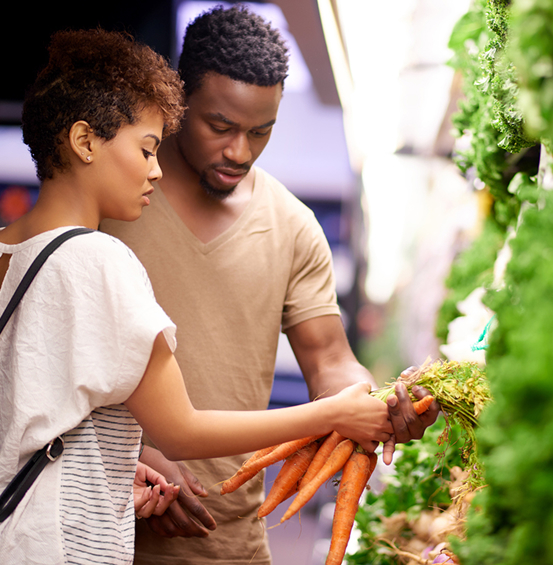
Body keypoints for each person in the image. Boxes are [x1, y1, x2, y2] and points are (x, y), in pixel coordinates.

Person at [0, 28, 396, 565]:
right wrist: (328, 416)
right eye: (147, 149)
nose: (240, 150)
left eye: (262, 131)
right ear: (86, 141)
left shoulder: (13, 250)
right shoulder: (103, 251)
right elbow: (180, 430)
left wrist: (113, 461)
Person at [101, 5, 440, 565]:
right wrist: (130, 455)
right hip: (105, 533)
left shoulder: (293, 224)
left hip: (234, 542)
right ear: (178, 100)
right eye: (220, 127)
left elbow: (330, 360)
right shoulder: (113, 202)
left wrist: (374, 404)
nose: (240, 152)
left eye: (261, 132)